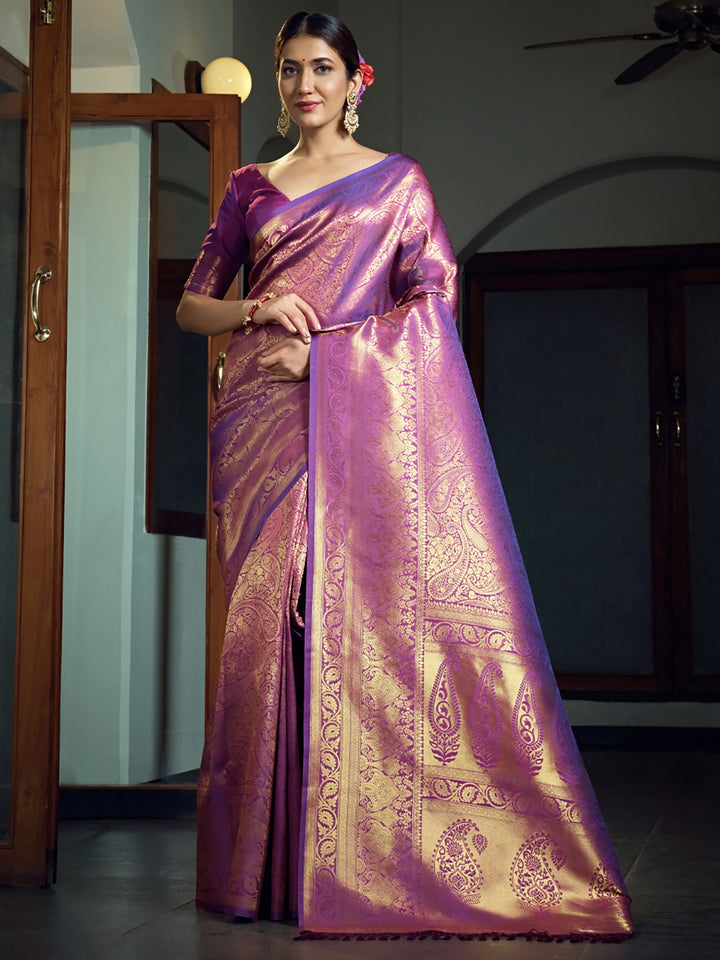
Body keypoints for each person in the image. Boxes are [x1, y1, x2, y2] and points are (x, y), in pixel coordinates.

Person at [177, 10, 633, 942]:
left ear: (357, 80)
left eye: (322, 70)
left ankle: (358, 859)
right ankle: (262, 870)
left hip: (354, 420)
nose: (305, 86)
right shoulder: (250, 188)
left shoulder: (397, 186)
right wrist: (256, 307)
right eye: (291, 70)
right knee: (265, 634)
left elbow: (434, 299)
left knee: (348, 623)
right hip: (259, 423)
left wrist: (335, 358)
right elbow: (191, 309)